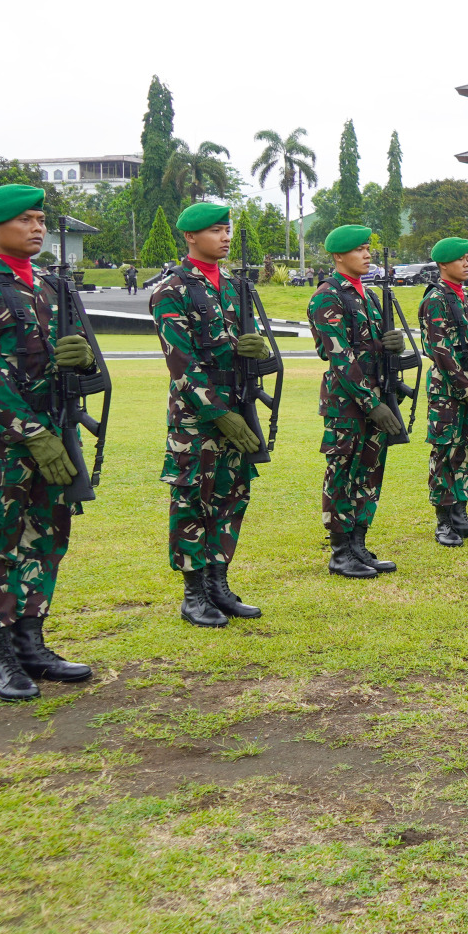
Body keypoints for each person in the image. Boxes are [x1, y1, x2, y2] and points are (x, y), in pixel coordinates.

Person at [0, 182, 96, 700]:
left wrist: (79, 362)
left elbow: (78, 360)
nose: (37, 228)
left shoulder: (52, 287)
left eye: (40, 220)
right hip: (1, 441)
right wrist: (32, 435)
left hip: (54, 428)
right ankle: (0, 656)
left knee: (47, 538)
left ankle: (32, 642)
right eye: (25, 220)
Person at [148, 201, 269, 627]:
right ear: (190, 237)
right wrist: (218, 412)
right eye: (216, 230)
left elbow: (236, 344)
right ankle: (194, 592)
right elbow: (180, 361)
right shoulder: (172, 290)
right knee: (191, 498)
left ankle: (218, 582)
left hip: (236, 403)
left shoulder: (235, 287)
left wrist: (251, 352)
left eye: (227, 229)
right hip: (196, 417)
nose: (226, 236)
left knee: (231, 494)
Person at [308, 225, 408, 577]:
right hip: (347, 403)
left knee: (369, 470)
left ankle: (358, 543)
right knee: (343, 472)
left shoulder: (364, 295)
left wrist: (390, 344)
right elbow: (339, 356)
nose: (367, 255)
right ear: (338, 256)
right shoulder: (328, 296)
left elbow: (369, 346)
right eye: (359, 250)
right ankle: (340, 552)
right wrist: (371, 404)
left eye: (368, 248)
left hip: (375, 397)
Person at [417, 237, 468, 546]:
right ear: (444, 264)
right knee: (446, 452)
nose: (467, 263)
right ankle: (444, 520)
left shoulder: (467, 299)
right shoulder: (436, 300)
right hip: (448, 392)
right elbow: (441, 351)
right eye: (461, 258)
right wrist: (466, 390)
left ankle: (461, 514)